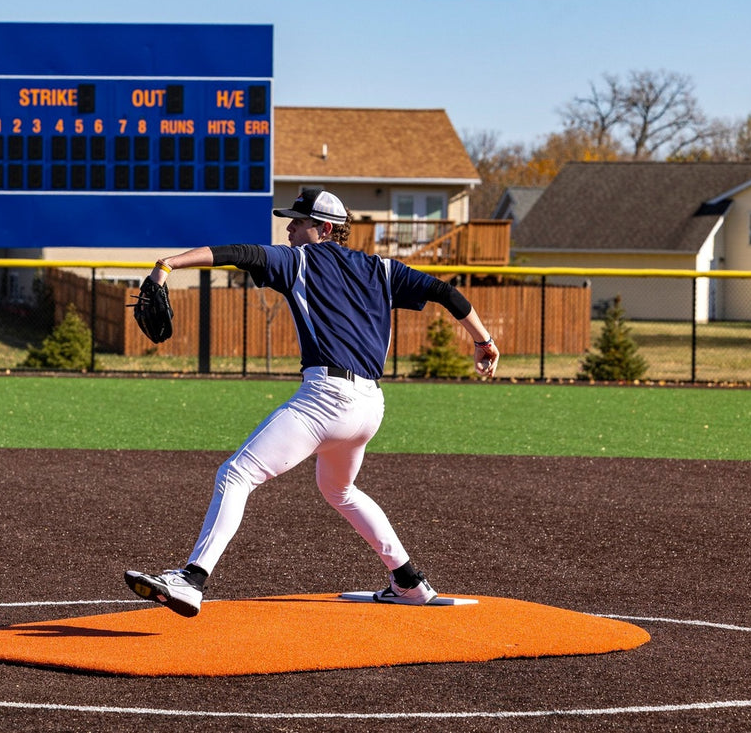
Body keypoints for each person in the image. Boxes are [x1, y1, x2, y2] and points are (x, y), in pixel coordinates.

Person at [124, 188, 500, 617]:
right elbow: (447, 293)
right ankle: (409, 583)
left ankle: (191, 579)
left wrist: (167, 264)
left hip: (327, 398)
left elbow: (237, 253)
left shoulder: (300, 259)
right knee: (339, 489)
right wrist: (484, 342)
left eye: (297, 222)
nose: (288, 228)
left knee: (236, 475)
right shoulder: (382, 268)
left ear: (323, 229)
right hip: (369, 406)